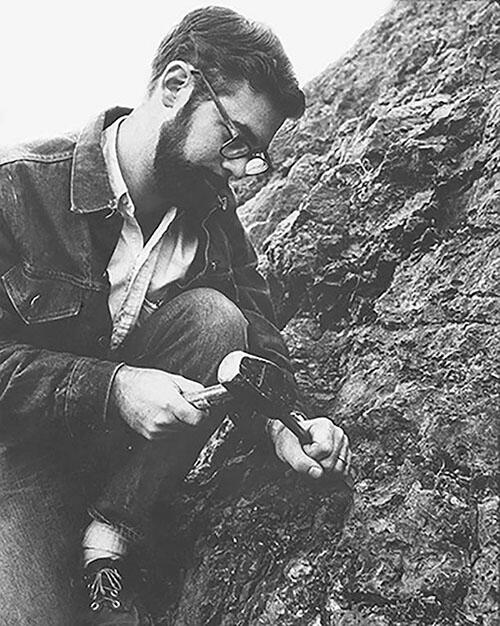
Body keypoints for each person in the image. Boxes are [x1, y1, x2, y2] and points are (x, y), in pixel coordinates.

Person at [0, 6, 351, 624]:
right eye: (234, 139)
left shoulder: (210, 206)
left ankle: (109, 542)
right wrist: (114, 389)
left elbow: (256, 330)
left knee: (217, 319)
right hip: (20, 460)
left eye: (255, 156)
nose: (240, 168)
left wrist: (287, 423)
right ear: (175, 86)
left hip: (130, 472)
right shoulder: (19, 188)